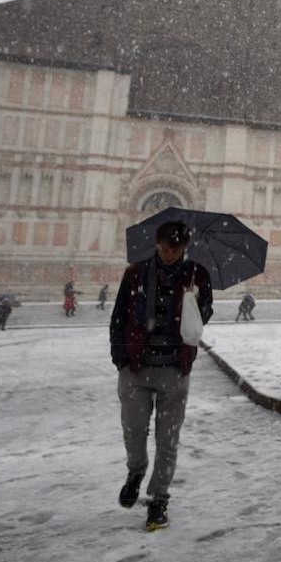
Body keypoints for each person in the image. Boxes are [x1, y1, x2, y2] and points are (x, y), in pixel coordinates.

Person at [109, 220, 213, 532]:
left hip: (174, 369)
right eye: (164, 249)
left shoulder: (197, 275)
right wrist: (120, 359)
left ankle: (158, 499)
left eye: (175, 250)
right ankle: (136, 470)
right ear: (157, 244)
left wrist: (195, 301)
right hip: (136, 369)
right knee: (134, 431)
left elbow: (203, 316)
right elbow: (119, 316)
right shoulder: (135, 273)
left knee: (168, 440)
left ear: (185, 248)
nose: (168, 255)